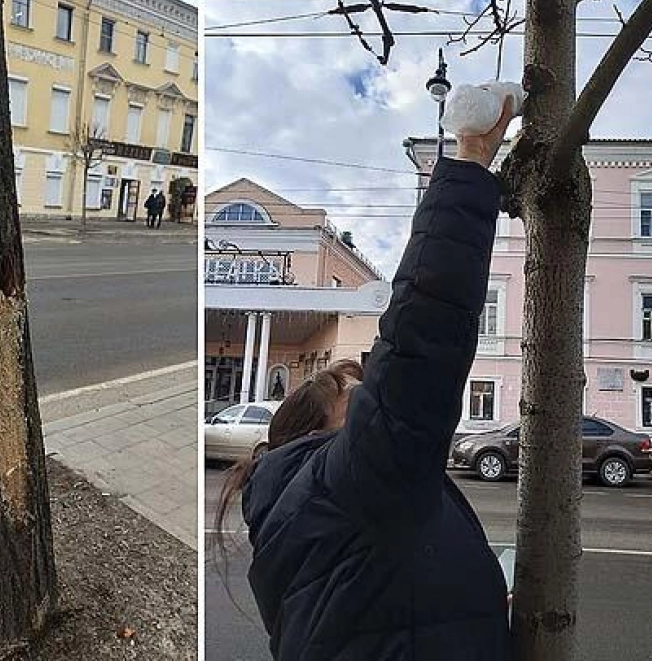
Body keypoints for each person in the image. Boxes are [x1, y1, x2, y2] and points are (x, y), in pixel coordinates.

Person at [214, 97, 517, 659]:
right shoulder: (343, 482)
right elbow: (420, 342)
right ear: (318, 432)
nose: (370, 399)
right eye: (355, 397)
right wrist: (472, 163)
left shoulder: (313, 503)